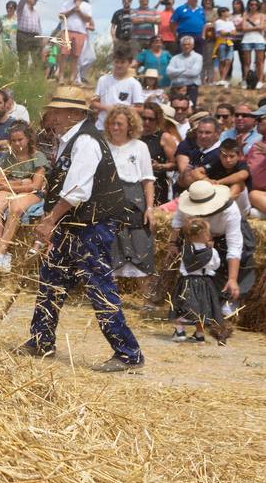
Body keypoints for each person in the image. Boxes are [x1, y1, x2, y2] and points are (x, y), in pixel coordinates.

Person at [14, 85, 144, 372]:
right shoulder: (69, 139)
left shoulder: (85, 141)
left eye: (57, 111)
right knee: (50, 280)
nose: (51, 116)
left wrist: (49, 220)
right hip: (74, 224)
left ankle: (128, 354)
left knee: (99, 287)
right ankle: (41, 340)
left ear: (73, 113)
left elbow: (76, 192)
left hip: (91, 226)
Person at [169, 179, 252, 335]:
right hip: (195, 238)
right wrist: (173, 243)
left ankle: (224, 305)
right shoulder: (185, 203)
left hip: (223, 239)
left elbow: (234, 247)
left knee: (241, 262)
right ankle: (203, 310)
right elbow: (178, 221)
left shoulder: (230, 210)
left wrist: (232, 279)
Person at [104, 106, 156, 305]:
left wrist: (149, 208)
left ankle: (148, 301)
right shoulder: (103, 145)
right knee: (111, 248)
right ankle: (109, 299)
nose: (115, 127)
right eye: (112, 123)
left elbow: (147, 180)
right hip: (109, 200)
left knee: (140, 247)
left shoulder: (139, 146)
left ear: (129, 126)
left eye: (120, 124)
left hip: (134, 201)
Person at [0, 121, 48, 272]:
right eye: (13, 141)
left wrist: (13, 184)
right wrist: (21, 181)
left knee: (16, 208)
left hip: (31, 192)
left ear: (28, 139)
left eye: (20, 140)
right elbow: (1, 182)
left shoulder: (38, 157)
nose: (17, 144)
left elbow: (35, 186)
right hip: (12, 188)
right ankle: (2, 254)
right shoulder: (6, 158)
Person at [171, 218, 227, 344]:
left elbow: (183, 269)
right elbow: (215, 266)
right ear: (204, 234)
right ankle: (200, 336)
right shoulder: (212, 252)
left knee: (183, 308)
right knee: (201, 311)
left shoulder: (185, 249)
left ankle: (180, 331)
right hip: (205, 284)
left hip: (187, 284)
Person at [91, 44, 144, 130]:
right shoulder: (103, 80)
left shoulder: (134, 84)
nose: (119, 65)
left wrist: (122, 110)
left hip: (123, 128)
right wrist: (107, 108)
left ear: (129, 63)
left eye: (122, 62)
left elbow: (140, 108)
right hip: (102, 126)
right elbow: (94, 102)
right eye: (117, 62)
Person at [56, 0, 92, 83]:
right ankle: (61, 77)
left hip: (80, 32)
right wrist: (72, 10)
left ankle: (72, 78)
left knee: (75, 56)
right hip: (67, 31)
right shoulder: (66, 4)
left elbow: (88, 19)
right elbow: (60, 16)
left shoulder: (86, 6)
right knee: (64, 54)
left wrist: (79, 11)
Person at [165, 35, 203, 107]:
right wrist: (184, 69)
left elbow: (194, 72)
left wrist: (176, 72)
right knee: (174, 107)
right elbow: (168, 72)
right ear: (181, 46)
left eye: (188, 44)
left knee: (190, 108)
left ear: (193, 45)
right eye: (184, 44)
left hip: (191, 88)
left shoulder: (198, 57)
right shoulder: (175, 58)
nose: (186, 46)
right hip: (176, 88)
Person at [14, 0, 42, 64]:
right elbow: (21, 1)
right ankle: (23, 74)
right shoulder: (22, 9)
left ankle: (35, 74)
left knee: (37, 59)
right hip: (23, 35)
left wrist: (41, 37)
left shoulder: (36, 13)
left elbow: (39, 27)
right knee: (23, 59)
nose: (35, 0)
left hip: (35, 36)